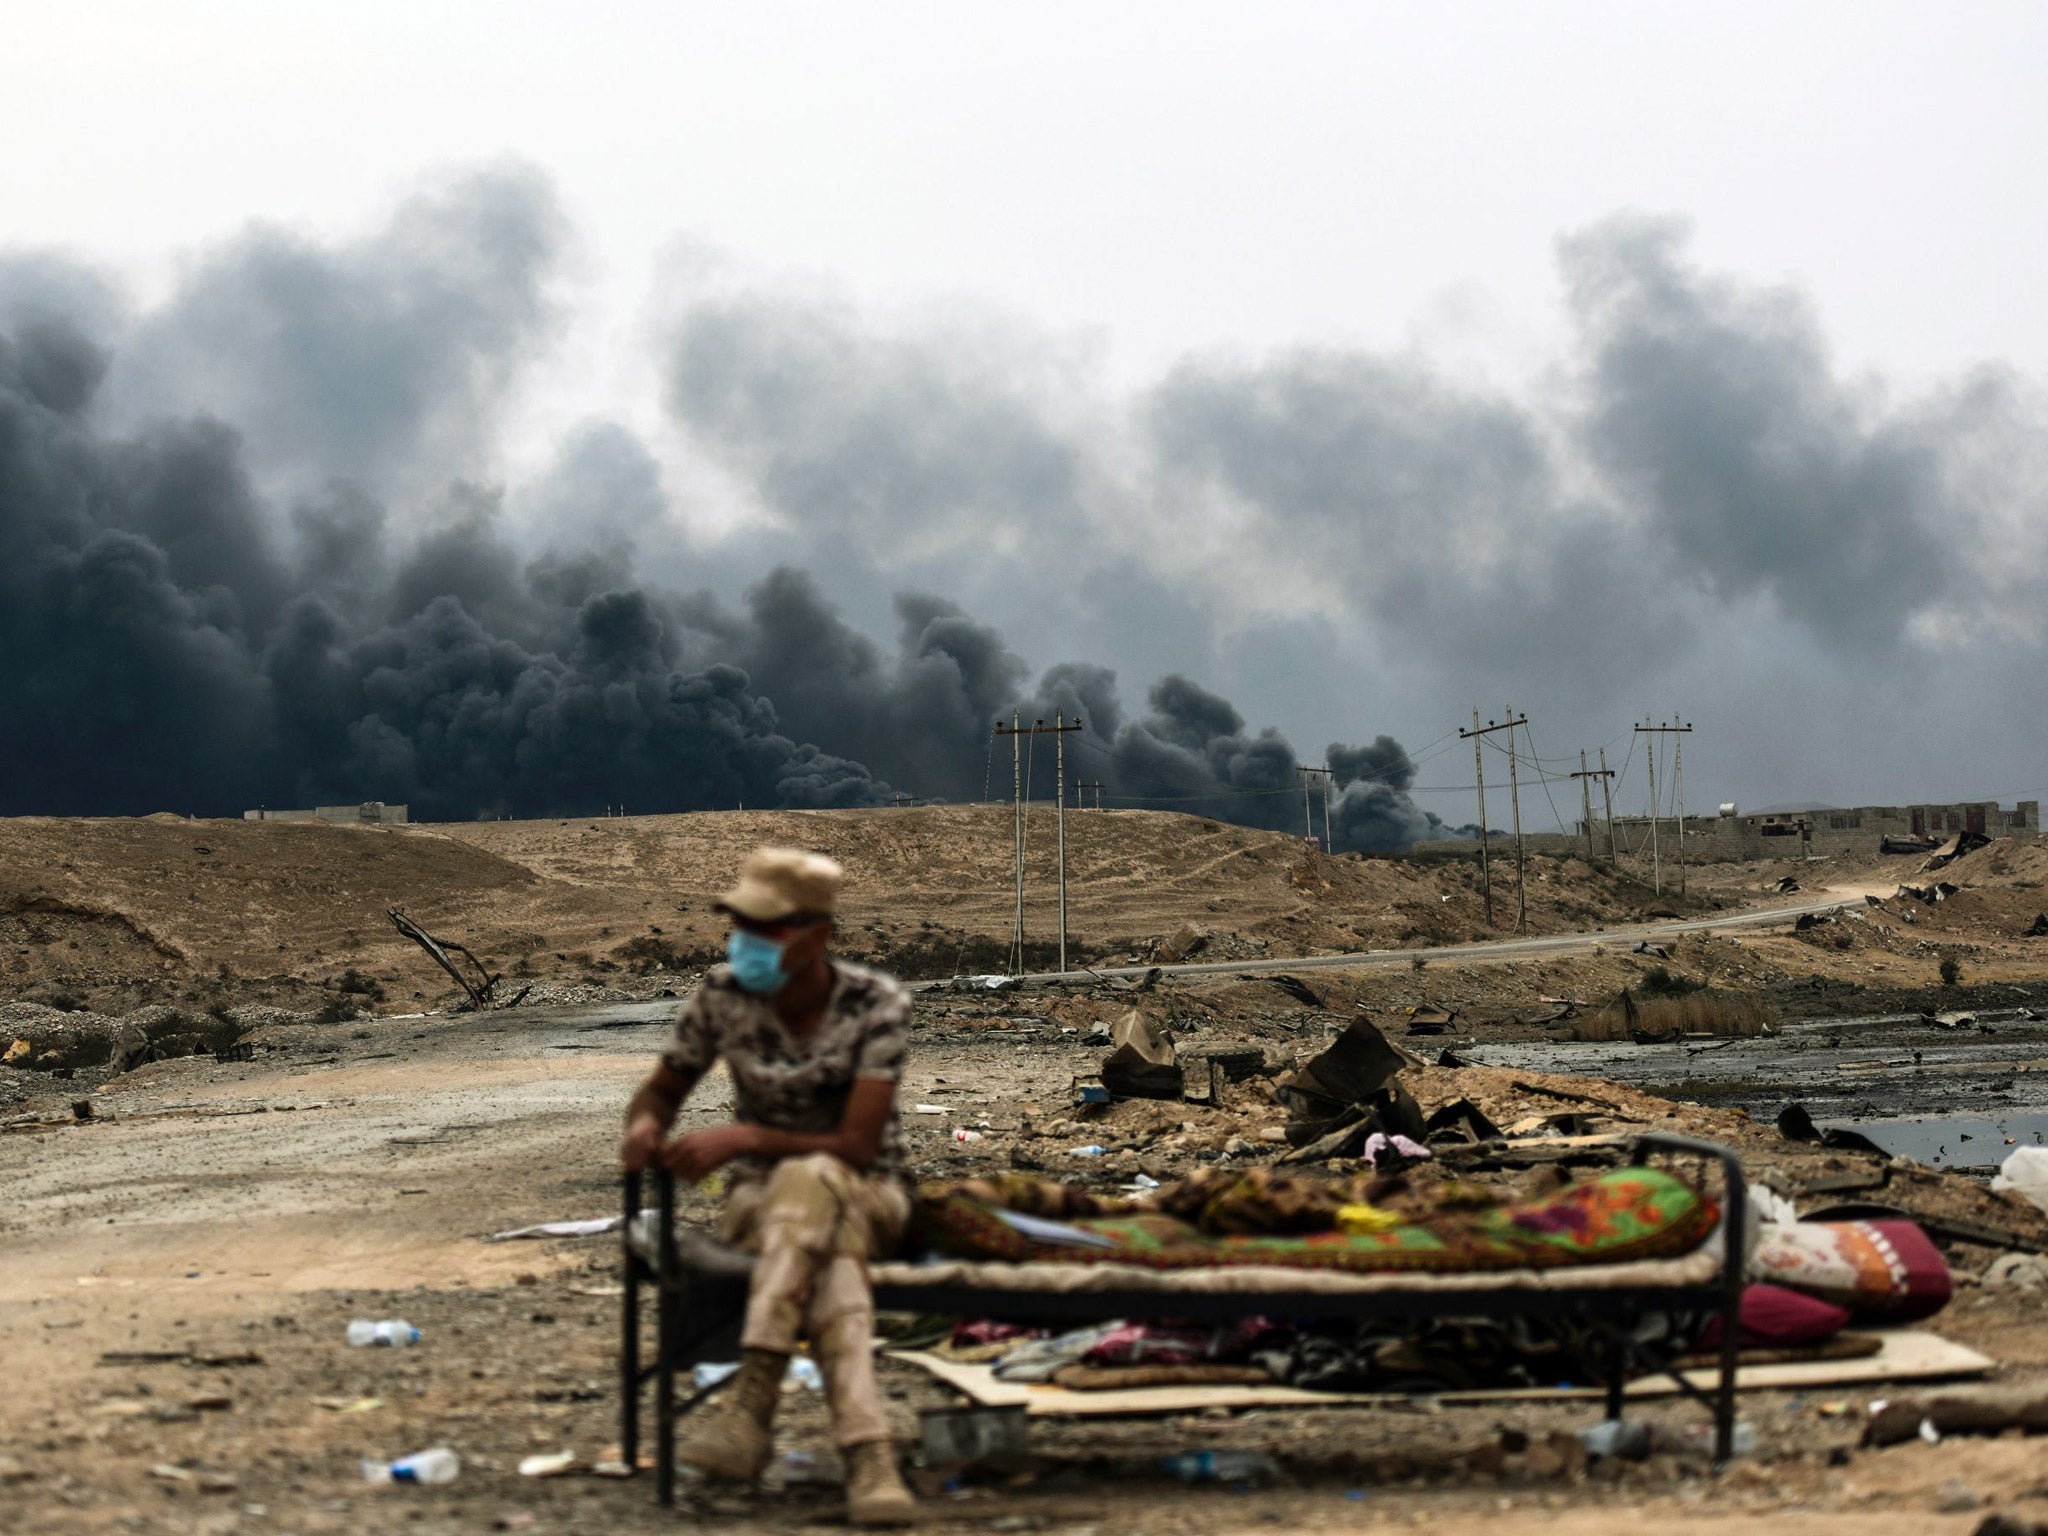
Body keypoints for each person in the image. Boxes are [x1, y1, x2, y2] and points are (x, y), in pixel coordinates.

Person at [620, 847, 917, 1527]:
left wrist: (748, 1139)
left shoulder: (877, 1006)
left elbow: (857, 1148)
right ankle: (869, 1455)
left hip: (873, 1193)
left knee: (814, 1177)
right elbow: (663, 1092)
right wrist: (643, 1127)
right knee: (825, 1243)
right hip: (765, 1207)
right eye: (741, 926)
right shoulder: (721, 999)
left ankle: (750, 1403)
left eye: (768, 929)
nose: (747, 943)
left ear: (818, 936)